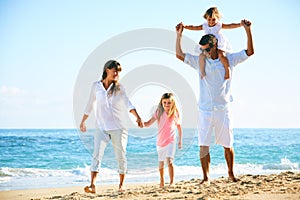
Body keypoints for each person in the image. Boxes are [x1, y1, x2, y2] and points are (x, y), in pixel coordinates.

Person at [175, 19, 254, 184]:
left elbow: (249, 52)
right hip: (204, 110)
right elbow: (179, 55)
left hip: (223, 109)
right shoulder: (200, 61)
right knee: (203, 145)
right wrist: (179, 36)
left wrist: (247, 31)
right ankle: (205, 178)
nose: (204, 52)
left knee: (228, 144)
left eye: (207, 49)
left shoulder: (229, 59)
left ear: (215, 45)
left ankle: (231, 174)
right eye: (202, 50)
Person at [79, 60, 143, 193]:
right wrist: (83, 121)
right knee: (96, 154)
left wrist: (137, 117)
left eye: (118, 72)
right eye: (115, 71)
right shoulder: (96, 86)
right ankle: (92, 185)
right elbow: (90, 104)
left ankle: (121, 185)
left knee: (120, 155)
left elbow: (128, 103)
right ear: (107, 70)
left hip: (119, 127)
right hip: (101, 127)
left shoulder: (119, 88)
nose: (116, 74)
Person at [184, 7, 242, 79]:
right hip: (208, 43)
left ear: (218, 18)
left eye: (213, 19)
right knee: (201, 56)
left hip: (218, 43)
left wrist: (240, 24)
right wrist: (185, 27)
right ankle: (202, 72)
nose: (211, 21)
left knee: (221, 55)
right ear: (206, 18)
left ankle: (227, 70)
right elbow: (195, 27)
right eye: (209, 19)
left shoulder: (219, 25)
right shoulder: (205, 26)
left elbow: (230, 25)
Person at [144, 93, 183, 188]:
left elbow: (179, 127)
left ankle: (172, 182)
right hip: (160, 142)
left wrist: (180, 140)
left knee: (169, 161)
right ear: (161, 103)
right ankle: (162, 181)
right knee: (161, 162)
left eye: (169, 103)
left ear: (172, 103)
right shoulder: (159, 112)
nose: (166, 104)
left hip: (171, 140)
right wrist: (142, 123)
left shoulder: (175, 113)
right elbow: (149, 123)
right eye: (164, 102)